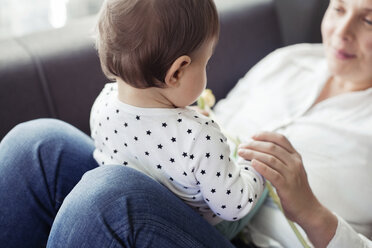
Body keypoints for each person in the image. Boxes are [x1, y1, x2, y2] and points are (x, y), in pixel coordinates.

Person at [0, 0, 371, 247]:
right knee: (35, 144)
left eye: (368, 18)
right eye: (338, 7)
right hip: (187, 204)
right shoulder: (289, 61)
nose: (342, 31)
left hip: (241, 233)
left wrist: (312, 213)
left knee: (110, 195)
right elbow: (207, 122)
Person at [90, 0, 264, 238]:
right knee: (261, 180)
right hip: (200, 229)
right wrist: (254, 169)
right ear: (177, 72)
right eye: (206, 62)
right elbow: (233, 206)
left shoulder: (103, 103)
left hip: (133, 222)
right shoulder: (201, 137)